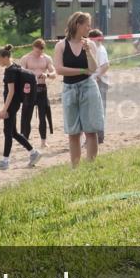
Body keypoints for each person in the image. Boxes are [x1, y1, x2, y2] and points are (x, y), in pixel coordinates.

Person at [52, 11, 104, 167]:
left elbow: (93, 68)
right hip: (69, 89)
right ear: (77, 25)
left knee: (91, 130)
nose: (89, 28)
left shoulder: (91, 44)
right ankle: (75, 167)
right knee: (73, 132)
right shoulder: (61, 45)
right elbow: (59, 70)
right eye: (87, 24)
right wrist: (81, 71)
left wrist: (88, 51)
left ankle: (90, 166)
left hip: (88, 87)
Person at [0, 45, 41, 170]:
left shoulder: (10, 71)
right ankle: (33, 153)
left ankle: (5, 161)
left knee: (8, 132)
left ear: (6, 57)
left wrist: (4, 110)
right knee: (13, 132)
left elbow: (11, 91)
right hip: (15, 103)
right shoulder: (16, 66)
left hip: (11, 104)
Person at [19, 39, 56, 148]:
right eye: (37, 51)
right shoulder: (25, 58)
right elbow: (20, 73)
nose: (38, 53)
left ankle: (43, 141)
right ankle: (25, 140)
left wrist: (47, 75)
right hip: (29, 89)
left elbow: (54, 73)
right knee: (27, 116)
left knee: (42, 116)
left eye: (40, 51)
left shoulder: (46, 58)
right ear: (33, 47)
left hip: (41, 88)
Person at [88, 29, 111, 145]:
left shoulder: (100, 50)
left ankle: (99, 136)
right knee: (93, 109)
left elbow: (105, 66)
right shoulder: (93, 49)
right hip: (94, 81)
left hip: (100, 82)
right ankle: (94, 136)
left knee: (100, 109)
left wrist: (96, 76)